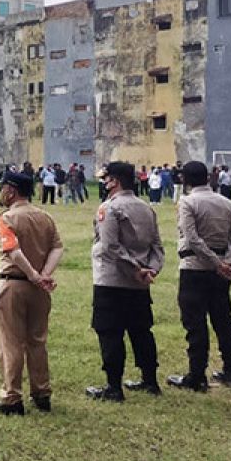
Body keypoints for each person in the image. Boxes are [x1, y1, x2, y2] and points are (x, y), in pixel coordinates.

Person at [86, 161, 165, 402]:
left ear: (115, 181)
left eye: (106, 179)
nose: (104, 183)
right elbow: (157, 247)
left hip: (112, 280)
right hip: (139, 284)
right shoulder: (146, 208)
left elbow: (110, 246)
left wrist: (136, 269)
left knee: (110, 332)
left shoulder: (109, 208)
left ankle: (113, 387)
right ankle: (150, 380)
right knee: (141, 331)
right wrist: (150, 269)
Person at [166, 161, 231, 391]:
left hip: (194, 267)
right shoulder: (226, 202)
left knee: (195, 323)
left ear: (185, 179)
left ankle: (196, 375)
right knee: (223, 320)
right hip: (221, 270)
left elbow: (192, 238)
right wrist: (227, 262)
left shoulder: (188, 202)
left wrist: (216, 262)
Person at [0, 170, 64, 415]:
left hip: (14, 283)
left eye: (3, 188)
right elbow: (57, 247)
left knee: (11, 342)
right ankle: (42, 393)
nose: (1, 192)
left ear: (11, 190)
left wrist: (32, 274)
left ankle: (12, 398)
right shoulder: (45, 217)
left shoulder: (8, 218)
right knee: (37, 341)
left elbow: (13, 251)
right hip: (39, 289)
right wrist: (44, 275)